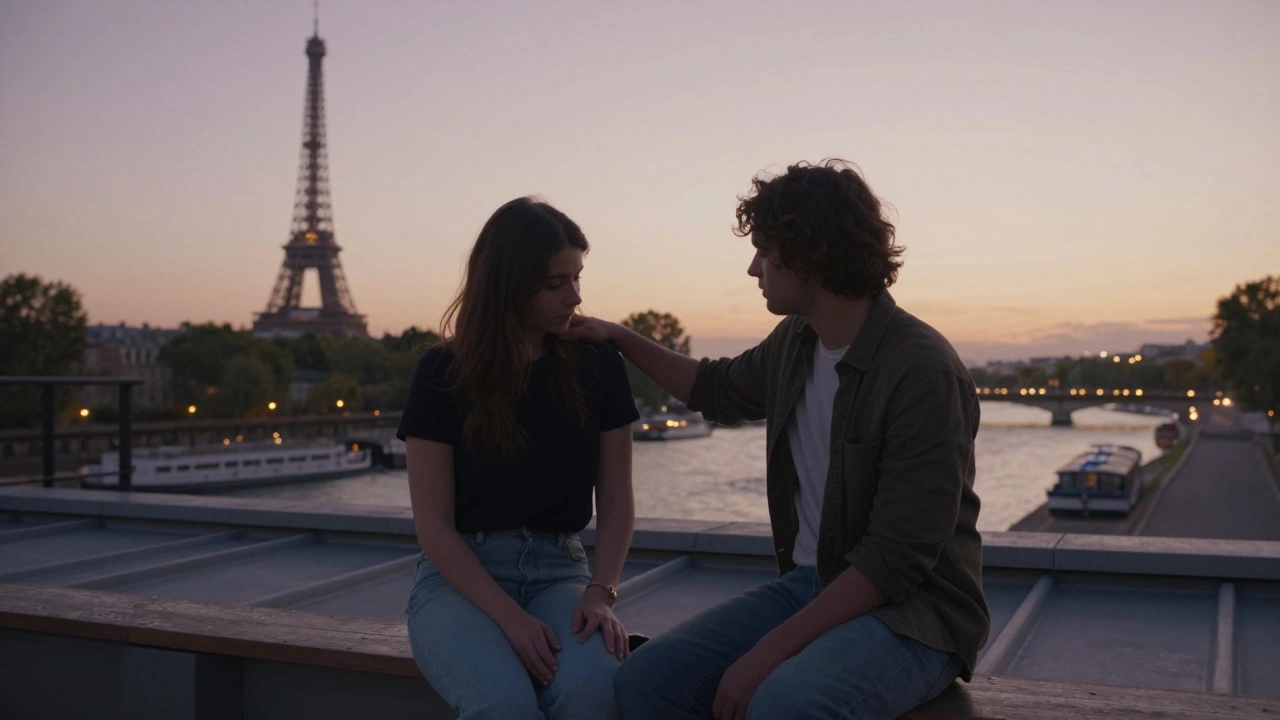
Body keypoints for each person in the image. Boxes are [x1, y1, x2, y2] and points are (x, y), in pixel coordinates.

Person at [566, 160, 989, 720]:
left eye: (765, 250)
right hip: (814, 585)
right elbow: (714, 389)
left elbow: (893, 563)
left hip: (916, 617)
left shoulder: (923, 374)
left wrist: (765, 653)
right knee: (647, 681)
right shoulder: (798, 342)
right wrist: (618, 338)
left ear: (809, 254)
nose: (752, 267)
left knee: (785, 702)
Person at [398, 197, 640, 720]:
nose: (574, 296)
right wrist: (510, 618)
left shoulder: (598, 365)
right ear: (508, 284)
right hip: (461, 578)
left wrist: (602, 594)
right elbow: (434, 526)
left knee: (597, 691)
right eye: (555, 284)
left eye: (577, 278)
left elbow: (617, 500)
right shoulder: (441, 373)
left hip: (562, 573)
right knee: (502, 705)